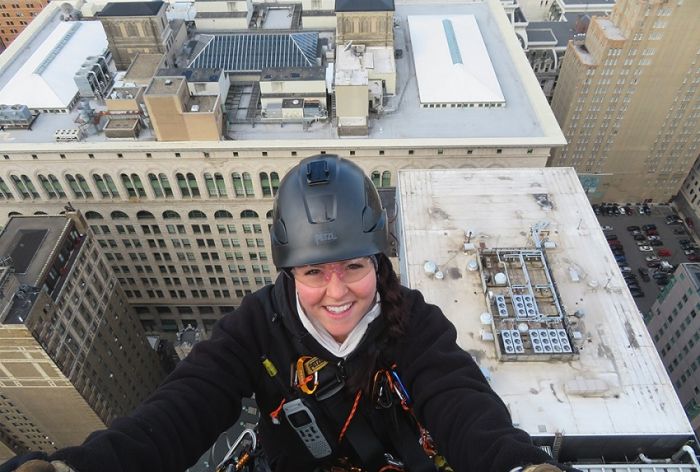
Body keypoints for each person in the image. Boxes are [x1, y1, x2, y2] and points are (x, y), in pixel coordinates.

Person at [3, 156, 580, 472]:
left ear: (378, 263)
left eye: (353, 266)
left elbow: (460, 403)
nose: (337, 292)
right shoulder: (255, 330)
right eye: (313, 272)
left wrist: (516, 465)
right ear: (289, 274)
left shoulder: (416, 325)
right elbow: (180, 411)